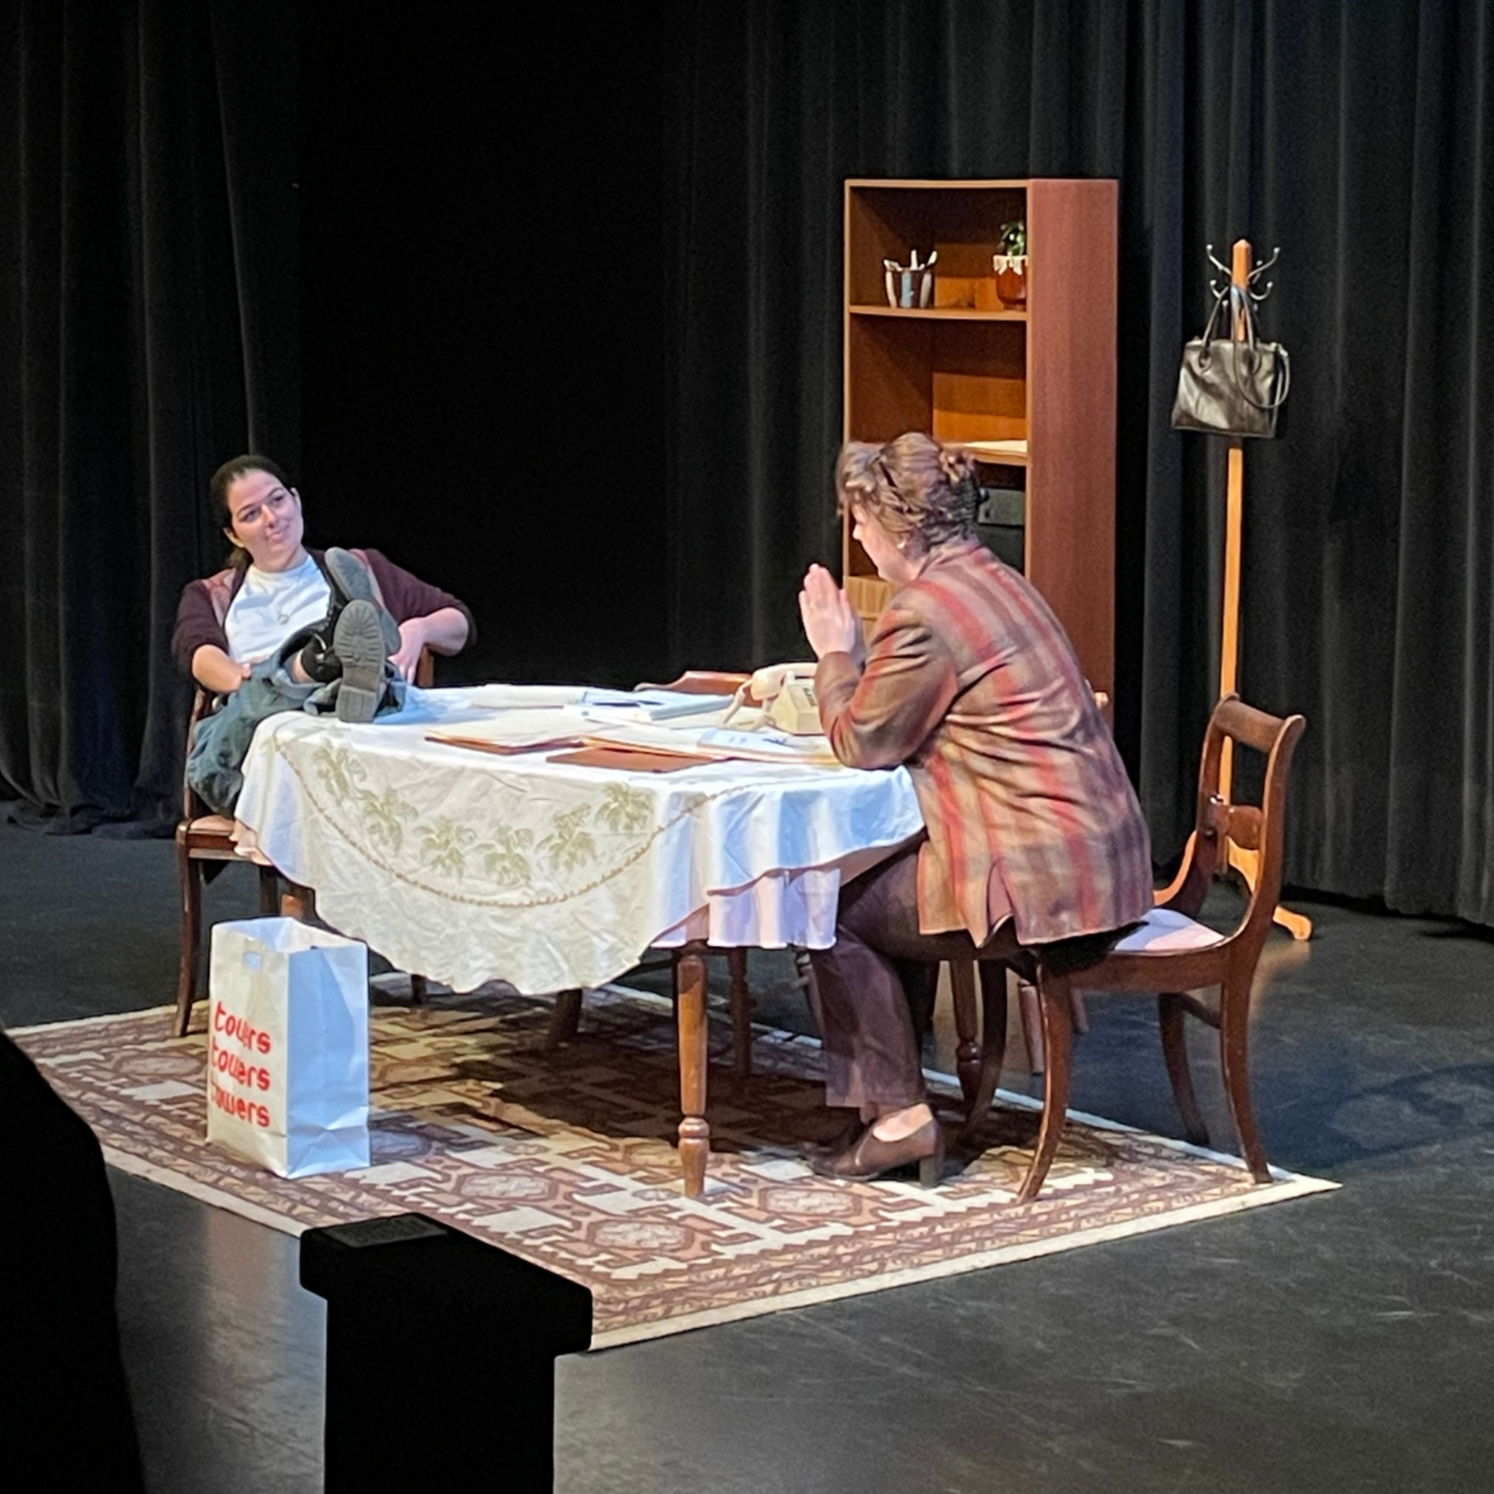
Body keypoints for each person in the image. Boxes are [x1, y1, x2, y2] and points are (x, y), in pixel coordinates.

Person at [796, 432, 1154, 1185]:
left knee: (820, 903)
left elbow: (862, 741)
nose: (855, 536)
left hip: (1045, 882)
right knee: (871, 887)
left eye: (859, 520)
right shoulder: (995, 578)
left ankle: (897, 1116)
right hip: (1101, 862)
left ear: (894, 525)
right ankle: (886, 1099)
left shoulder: (925, 613)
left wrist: (835, 653)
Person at [172, 454, 474, 814]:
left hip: (343, 732)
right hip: (257, 742)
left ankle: (332, 665)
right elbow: (197, 654)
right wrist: (251, 678)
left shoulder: (359, 568)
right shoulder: (212, 594)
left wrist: (417, 630)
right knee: (268, 689)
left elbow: (460, 623)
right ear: (233, 534)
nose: (272, 519)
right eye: (251, 514)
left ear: (296, 500)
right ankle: (323, 657)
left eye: (277, 500)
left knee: (345, 695)